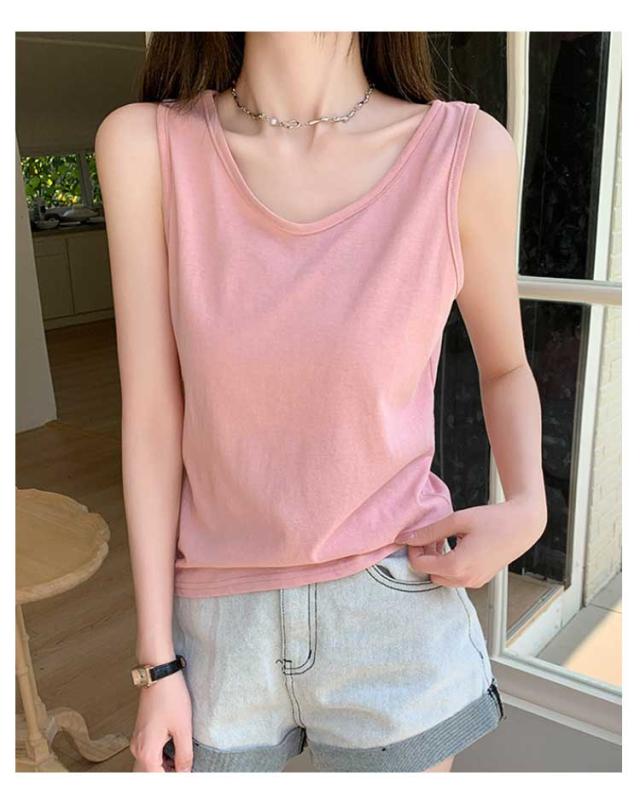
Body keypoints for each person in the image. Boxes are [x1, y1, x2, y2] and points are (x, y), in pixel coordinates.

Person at [95, 32, 547, 773]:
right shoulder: (145, 145)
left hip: (395, 606)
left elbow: (507, 366)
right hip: (216, 622)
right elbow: (150, 415)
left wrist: (528, 506)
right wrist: (157, 663)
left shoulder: (464, 151)